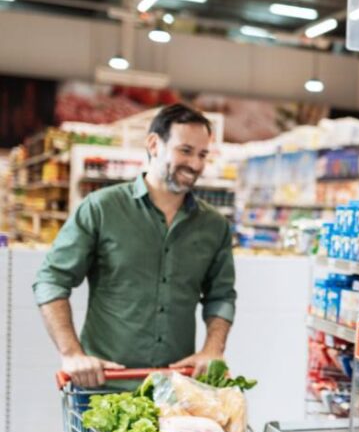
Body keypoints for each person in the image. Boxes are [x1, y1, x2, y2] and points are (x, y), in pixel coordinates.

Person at [35, 103, 236, 387]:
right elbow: (51, 279)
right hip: (104, 387)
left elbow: (222, 295)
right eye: (185, 151)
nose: (195, 164)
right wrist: (72, 353)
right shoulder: (102, 208)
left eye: (203, 154)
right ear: (154, 144)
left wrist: (213, 349)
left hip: (175, 389)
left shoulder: (213, 226)